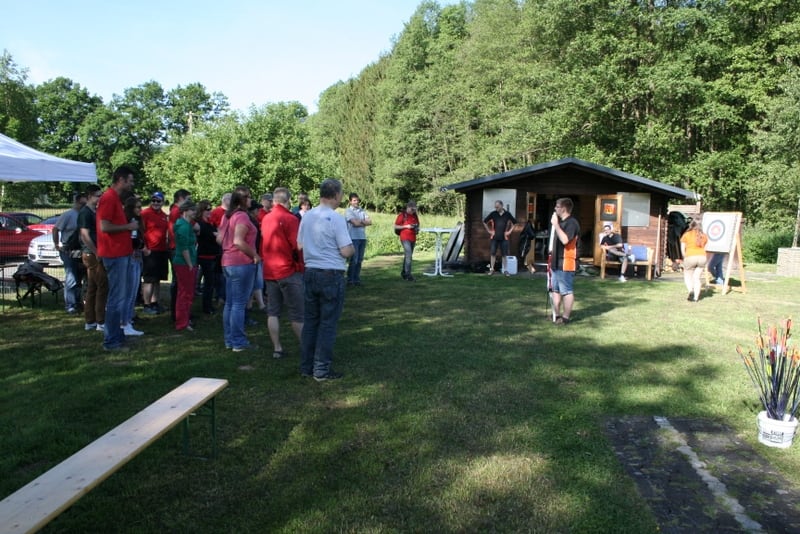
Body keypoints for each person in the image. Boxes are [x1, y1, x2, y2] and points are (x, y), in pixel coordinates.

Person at [297, 178, 354, 381]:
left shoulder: (307, 216)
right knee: (327, 323)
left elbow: (299, 245)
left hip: (311, 271)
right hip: (330, 273)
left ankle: (306, 366)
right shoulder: (336, 218)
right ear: (336, 195)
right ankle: (321, 369)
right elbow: (346, 250)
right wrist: (352, 249)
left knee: (311, 322)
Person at [97, 166, 138, 351]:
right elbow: (104, 227)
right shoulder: (109, 198)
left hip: (121, 253)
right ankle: (111, 341)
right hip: (114, 254)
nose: (132, 184)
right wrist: (128, 227)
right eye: (130, 180)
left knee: (120, 298)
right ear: (121, 180)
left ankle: (117, 336)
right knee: (116, 299)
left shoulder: (114, 198)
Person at [261, 187, 304, 359]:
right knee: (297, 312)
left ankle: (277, 348)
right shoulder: (290, 219)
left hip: (269, 270)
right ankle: (306, 347)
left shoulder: (266, 218)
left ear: (274, 201)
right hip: (288, 270)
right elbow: (298, 245)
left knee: (273, 311)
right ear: (288, 200)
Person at [220, 186, 261, 352]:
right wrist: (254, 255)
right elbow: (238, 241)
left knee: (230, 303)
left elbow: (219, 238)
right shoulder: (242, 216)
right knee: (238, 304)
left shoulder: (227, 215)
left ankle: (230, 340)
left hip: (228, 262)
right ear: (242, 199)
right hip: (241, 262)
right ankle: (238, 341)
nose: (251, 200)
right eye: (249, 197)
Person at [52, 192, 87, 314]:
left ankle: (78, 302)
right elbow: (55, 229)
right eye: (82, 202)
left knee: (79, 276)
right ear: (77, 201)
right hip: (68, 250)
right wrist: (57, 245)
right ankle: (70, 305)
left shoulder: (85, 214)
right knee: (71, 277)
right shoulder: (68, 215)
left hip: (81, 250)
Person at [78, 185, 107, 332]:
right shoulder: (85, 213)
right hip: (91, 253)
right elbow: (85, 235)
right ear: (89, 196)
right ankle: (100, 320)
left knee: (93, 287)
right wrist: (96, 251)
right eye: (98, 196)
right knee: (102, 285)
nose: (100, 198)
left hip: (94, 252)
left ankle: (91, 320)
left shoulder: (95, 211)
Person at [550, 197, 580, 325]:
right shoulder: (561, 222)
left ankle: (566, 317)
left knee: (566, 291)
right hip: (556, 262)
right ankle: (556, 315)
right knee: (555, 290)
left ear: (563, 208)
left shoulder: (572, 223)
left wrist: (556, 225)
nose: (555, 208)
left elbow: (565, 240)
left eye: (557, 206)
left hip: (566, 262)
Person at [140, 191, 169, 315]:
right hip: (150, 251)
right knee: (149, 279)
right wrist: (144, 248)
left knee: (157, 279)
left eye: (158, 201)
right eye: (153, 200)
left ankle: (155, 302)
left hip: (161, 250)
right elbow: (140, 231)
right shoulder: (145, 214)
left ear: (163, 202)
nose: (155, 203)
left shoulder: (164, 215)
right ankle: (146, 304)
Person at [120, 195, 145, 336]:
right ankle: (125, 322)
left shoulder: (137, 221)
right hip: (131, 258)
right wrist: (142, 246)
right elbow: (133, 240)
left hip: (136, 257)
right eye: (138, 207)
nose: (140, 210)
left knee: (133, 292)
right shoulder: (131, 221)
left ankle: (128, 320)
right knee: (129, 292)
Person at [173, 199, 198, 331]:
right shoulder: (184, 227)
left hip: (187, 262)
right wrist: (189, 264)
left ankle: (185, 319)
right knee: (185, 293)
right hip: (184, 263)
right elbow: (184, 248)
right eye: (192, 210)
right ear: (185, 211)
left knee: (186, 292)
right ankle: (182, 322)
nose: (194, 212)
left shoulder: (186, 224)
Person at [169, 189, 191, 322]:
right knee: (179, 284)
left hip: (177, 248)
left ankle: (181, 313)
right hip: (177, 249)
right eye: (188, 199)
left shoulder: (176, 210)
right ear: (181, 198)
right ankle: (177, 314)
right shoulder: (177, 211)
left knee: (180, 284)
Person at [195, 200, 221, 314]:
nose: (210, 211)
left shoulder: (209, 223)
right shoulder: (201, 224)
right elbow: (215, 235)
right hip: (205, 255)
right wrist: (217, 234)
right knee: (208, 283)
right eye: (207, 209)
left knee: (210, 282)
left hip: (212, 254)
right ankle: (207, 307)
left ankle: (209, 305)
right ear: (201, 211)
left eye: (211, 209)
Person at [482, 200, 517, 276]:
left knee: (504, 255)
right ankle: (492, 269)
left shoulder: (507, 214)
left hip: (504, 238)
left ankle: (505, 270)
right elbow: (484, 222)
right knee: (493, 254)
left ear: (501, 206)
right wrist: (489, 231)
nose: (496, 208)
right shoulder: (493, 214)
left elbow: (514, 223)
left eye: (497, 207)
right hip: (494, 237)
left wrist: (509, 231)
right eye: (495, 207)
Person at [345, 192, 371, 286]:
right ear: (350, 201)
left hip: (362, 237)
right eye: (354, 200)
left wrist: (359, 222)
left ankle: (356, 279)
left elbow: (370, 222)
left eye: (357, 200)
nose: (356, 202)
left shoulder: (362, 210)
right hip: (353, 238)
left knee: (359, 260)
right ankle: (350, 280)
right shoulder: (348, 211)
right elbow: (355, 223)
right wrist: (363, 222)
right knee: (354, 260)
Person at [680, 219, 708, 302]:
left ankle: (690, 290)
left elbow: (683, 249)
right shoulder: (704, 236)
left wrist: (685, 258)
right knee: (697, 278)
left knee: (688, 275)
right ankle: (696, 298)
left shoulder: (686, 235)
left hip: (690, 256)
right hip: (702, 257)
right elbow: (705, 248)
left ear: (691, 225)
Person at [394, 200, 420, 281]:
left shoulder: (415, 216)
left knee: (408, 256)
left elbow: (418, 224)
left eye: (414, 210)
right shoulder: (402, 215)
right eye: (412, 209)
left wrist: (416, 228)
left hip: (413, 237)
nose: (413, 211)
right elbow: (395, 226)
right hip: (405, 237)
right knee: (409, 255)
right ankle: (408, 275)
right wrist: (406, 226)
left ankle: (404, 273)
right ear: (408, 208)